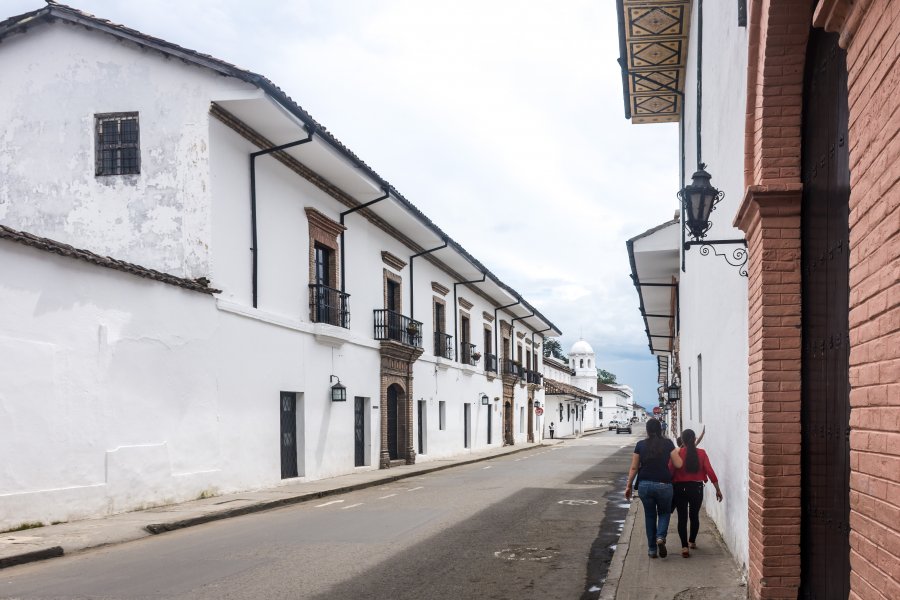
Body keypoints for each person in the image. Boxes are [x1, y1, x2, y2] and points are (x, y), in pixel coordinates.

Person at [625, 418, 683, 558]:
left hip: (645, 485)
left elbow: (634, 467)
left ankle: (652, 550)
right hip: (664, 484)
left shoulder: (640, 445)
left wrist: (628, 486)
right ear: (660, 429)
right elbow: (678, 465)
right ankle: (660, 537)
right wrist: (678, 451)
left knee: (650, 516)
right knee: (664, 513)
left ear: (647, 430)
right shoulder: (668, 443)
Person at [671, 428, 723, 557]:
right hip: (696, 489)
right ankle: (692, 541)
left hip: (680, 489)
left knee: (682, 518)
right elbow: (710, 471)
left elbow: (670, 470)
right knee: (694, 516)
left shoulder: (677, 453)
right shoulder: (701, 453)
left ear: (682, 440)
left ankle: (684, 547)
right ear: (694, 439)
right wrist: (717, 489)